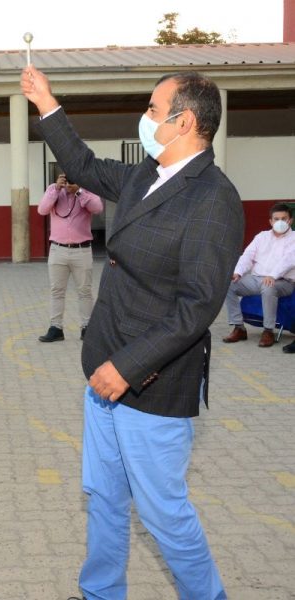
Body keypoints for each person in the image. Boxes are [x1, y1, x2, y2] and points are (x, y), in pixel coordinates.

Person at [22, 66, 242, 600]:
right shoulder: (149, 173)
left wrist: (128, 367)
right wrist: (46, 101)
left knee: (164, 514)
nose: (143, 118)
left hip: (151, 382)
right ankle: (100, 592)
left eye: (150, 109)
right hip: (104, 368)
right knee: (103, 496)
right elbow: (82, 165)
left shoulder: (213, 199)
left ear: (184, 120)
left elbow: (196, 309)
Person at [37, 173, 103, 342]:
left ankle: (87, 328)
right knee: (57, 291)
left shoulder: (86, 191)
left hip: (82, 250)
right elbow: (42, 209)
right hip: (58, 250)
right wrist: (56, 189)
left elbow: (97, 208)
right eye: (65, 179)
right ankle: (56, 328)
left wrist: (79, 191)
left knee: (85, 291)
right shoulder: (53, 189)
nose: (68, 183)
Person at [222, 203, 295, 348]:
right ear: (270, 221)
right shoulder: (261, 236)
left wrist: (273, 275)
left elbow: (289, 260)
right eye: (276, 219)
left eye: (284, 218)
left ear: (290, 221)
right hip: (256, 279)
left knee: (268, 287)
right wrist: (238, 272)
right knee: (229, 284)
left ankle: (268, 331)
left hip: (282, 282)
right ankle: (239, 328)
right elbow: (248, 255)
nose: (280, 222)